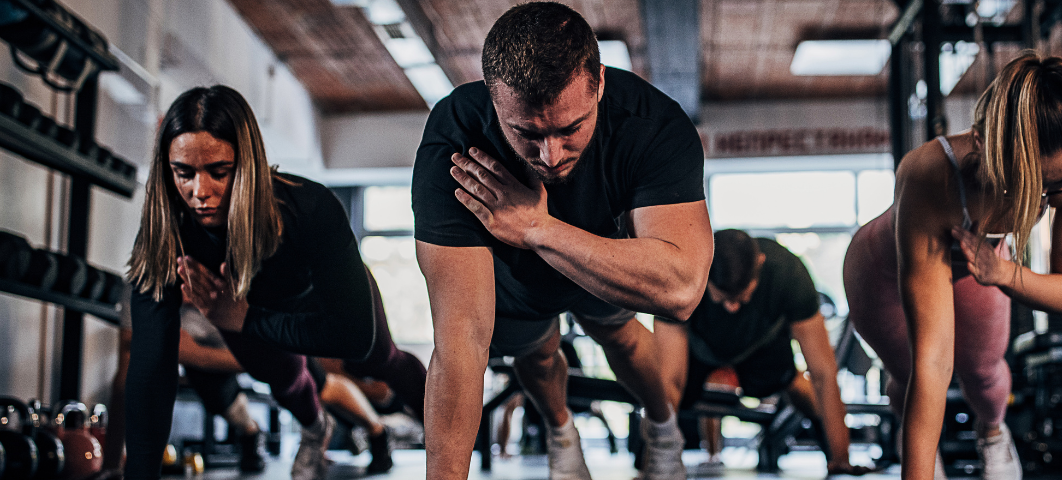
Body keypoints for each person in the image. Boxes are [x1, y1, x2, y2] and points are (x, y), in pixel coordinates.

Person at [411, 3, 713, 480]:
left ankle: (663, 428)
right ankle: (562, 436)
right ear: (493, 99)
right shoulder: (455, 140)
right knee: (537, 351)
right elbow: (462, 342)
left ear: (599, 83)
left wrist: (537, 227)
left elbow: (680, 290)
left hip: (605, 261)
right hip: (514, 278)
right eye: (526, 133)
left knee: (621, 336)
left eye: (570, 128)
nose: (550, 156)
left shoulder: (651, 125)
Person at [843, 52, 1062, 480]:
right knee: (909, 371)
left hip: (975, 261)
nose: (1042, 201)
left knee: (985, 374)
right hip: (880, 271)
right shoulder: (928, 173)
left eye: (1052, 187)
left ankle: (992, 435)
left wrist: (1003, 273)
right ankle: (919, 451)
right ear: (984, 145)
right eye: (1027, 185)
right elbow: (934, 361)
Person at [124, 85, 426, 480]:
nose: (200, 193)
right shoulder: (167, 233)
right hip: (242, 311)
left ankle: (452, 456)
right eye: (184, 173)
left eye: (219, 172)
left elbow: (354, 338)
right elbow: (153, 362)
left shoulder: (309, 206)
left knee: (379, 358)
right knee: (280, 376)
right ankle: (316, 428)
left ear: (247, 163)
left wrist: (245, 319)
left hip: (321, 301)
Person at [105, 272, 419, 475]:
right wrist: (112, 463)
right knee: (210, 387)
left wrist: (193, 353)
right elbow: (127, 375)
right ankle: (250, 433)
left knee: (319, 386)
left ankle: (377, 432)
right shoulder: (142, 290)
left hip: (265, 343)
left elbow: (265, 358)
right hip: (215, 353)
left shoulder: (235, 279)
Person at [666, 230, 871, 476]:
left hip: (762, 347)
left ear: (760, 264)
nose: (732, 307)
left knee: (797, 384)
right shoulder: (681, 272)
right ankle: (663, 452)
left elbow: (823, 373)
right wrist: (657, 458)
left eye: (741, 297)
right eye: (722, 298)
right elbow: (668, 378)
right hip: (698, 349)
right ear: (704, 271)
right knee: (662, 391)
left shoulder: (787, 273)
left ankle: (834, 452)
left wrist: (842, 459)